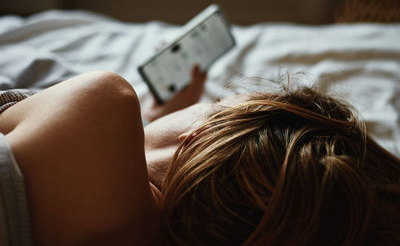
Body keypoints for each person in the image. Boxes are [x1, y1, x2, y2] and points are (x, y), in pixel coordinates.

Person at [0, 68, 399, 246]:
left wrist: (141, 121)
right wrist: (158, 120)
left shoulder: (105, 105)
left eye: (218, 102)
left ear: (202, 134)